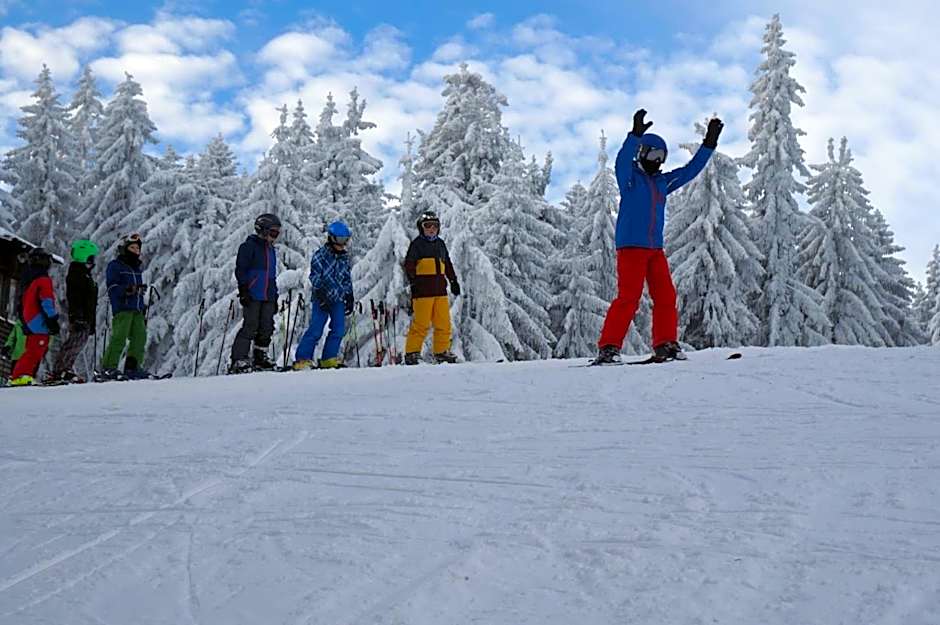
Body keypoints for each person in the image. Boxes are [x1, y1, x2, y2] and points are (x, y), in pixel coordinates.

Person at [594, 109, 723, 364]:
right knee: (628, 298)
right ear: (642, 153)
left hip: (655, 249)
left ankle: (665, 343)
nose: (657, 160)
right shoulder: (630, 179)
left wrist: (709, 144)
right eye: (653, 154)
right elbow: (621, 162)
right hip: (631, 247)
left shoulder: (661, 182)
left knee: (666, 296)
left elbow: (689, 171)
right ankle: (609, 347)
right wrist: (634, 136)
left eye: (661, 156)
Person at [293, 221, 354, 370]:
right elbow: (314, 276)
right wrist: (321, 293)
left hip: (338, 298)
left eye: (345, 240)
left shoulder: (344, 257)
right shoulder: (321, 255)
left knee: (338, 329)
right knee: (316, 328)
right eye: (340, 240)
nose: (343, 244)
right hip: (322, 298)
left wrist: (349, 295)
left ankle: (329, 358)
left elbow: (346, 278)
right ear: (332, 238)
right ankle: (303, 358)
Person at [403, 211, 461, 365]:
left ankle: (441, 352)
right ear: (421, 228)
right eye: (427, 226)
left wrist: (453, 281)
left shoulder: (440, 244)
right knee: (421, 324)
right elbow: (409, 265)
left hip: (440, 291)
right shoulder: (417, 245)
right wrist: (413, 283)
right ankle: (412, 353)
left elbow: (447, 264)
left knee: (443, 323)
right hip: (423, 292)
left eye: (435, 226)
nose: (431, 229)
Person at [230, 213, 280, 373]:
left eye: (277, 233)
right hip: (252, 294)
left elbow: (271, 276)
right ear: (263, 230)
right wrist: (244, 289)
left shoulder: (271, 250)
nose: (275, 237)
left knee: (267, 326)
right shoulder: (249, 247)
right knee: (250, 326)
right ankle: (239, 359)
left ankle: (260, 357)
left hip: (268, 295)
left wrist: (275, 295)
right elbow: (241, 269)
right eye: (273, 233)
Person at [45, 239, 99, 383]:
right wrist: (78, 316)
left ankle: (65, 368)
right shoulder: (77, 274)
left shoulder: (85, 275)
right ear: (84, 256)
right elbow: (75, 298)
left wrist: (91, 322)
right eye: (91, 257)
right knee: (74, 342)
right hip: (79, 317)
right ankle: (60, 370)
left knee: (79, 343)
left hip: (85, 318)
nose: (93, 261)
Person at [100, 233, 150, 379]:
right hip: (123, 308)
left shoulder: (136, 268)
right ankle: (109, 368)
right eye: (132, 247)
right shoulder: (115, 266)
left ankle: (132, 368)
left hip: (136, 309)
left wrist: (141, 299)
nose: (136, 251)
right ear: (124, 248)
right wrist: (128, 289)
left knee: (140, 337)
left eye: (137, 248)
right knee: (119, 338)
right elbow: (112, 287)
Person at [9, 247, 59, 386]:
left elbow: (21, 301)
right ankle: (19, 376)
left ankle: (23, 375)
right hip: (39, 320)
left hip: (28, 319)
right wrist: (52, 319)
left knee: (32, 349)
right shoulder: (43, 280)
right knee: (35, 350)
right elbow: (47, 301)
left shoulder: (28, 279)